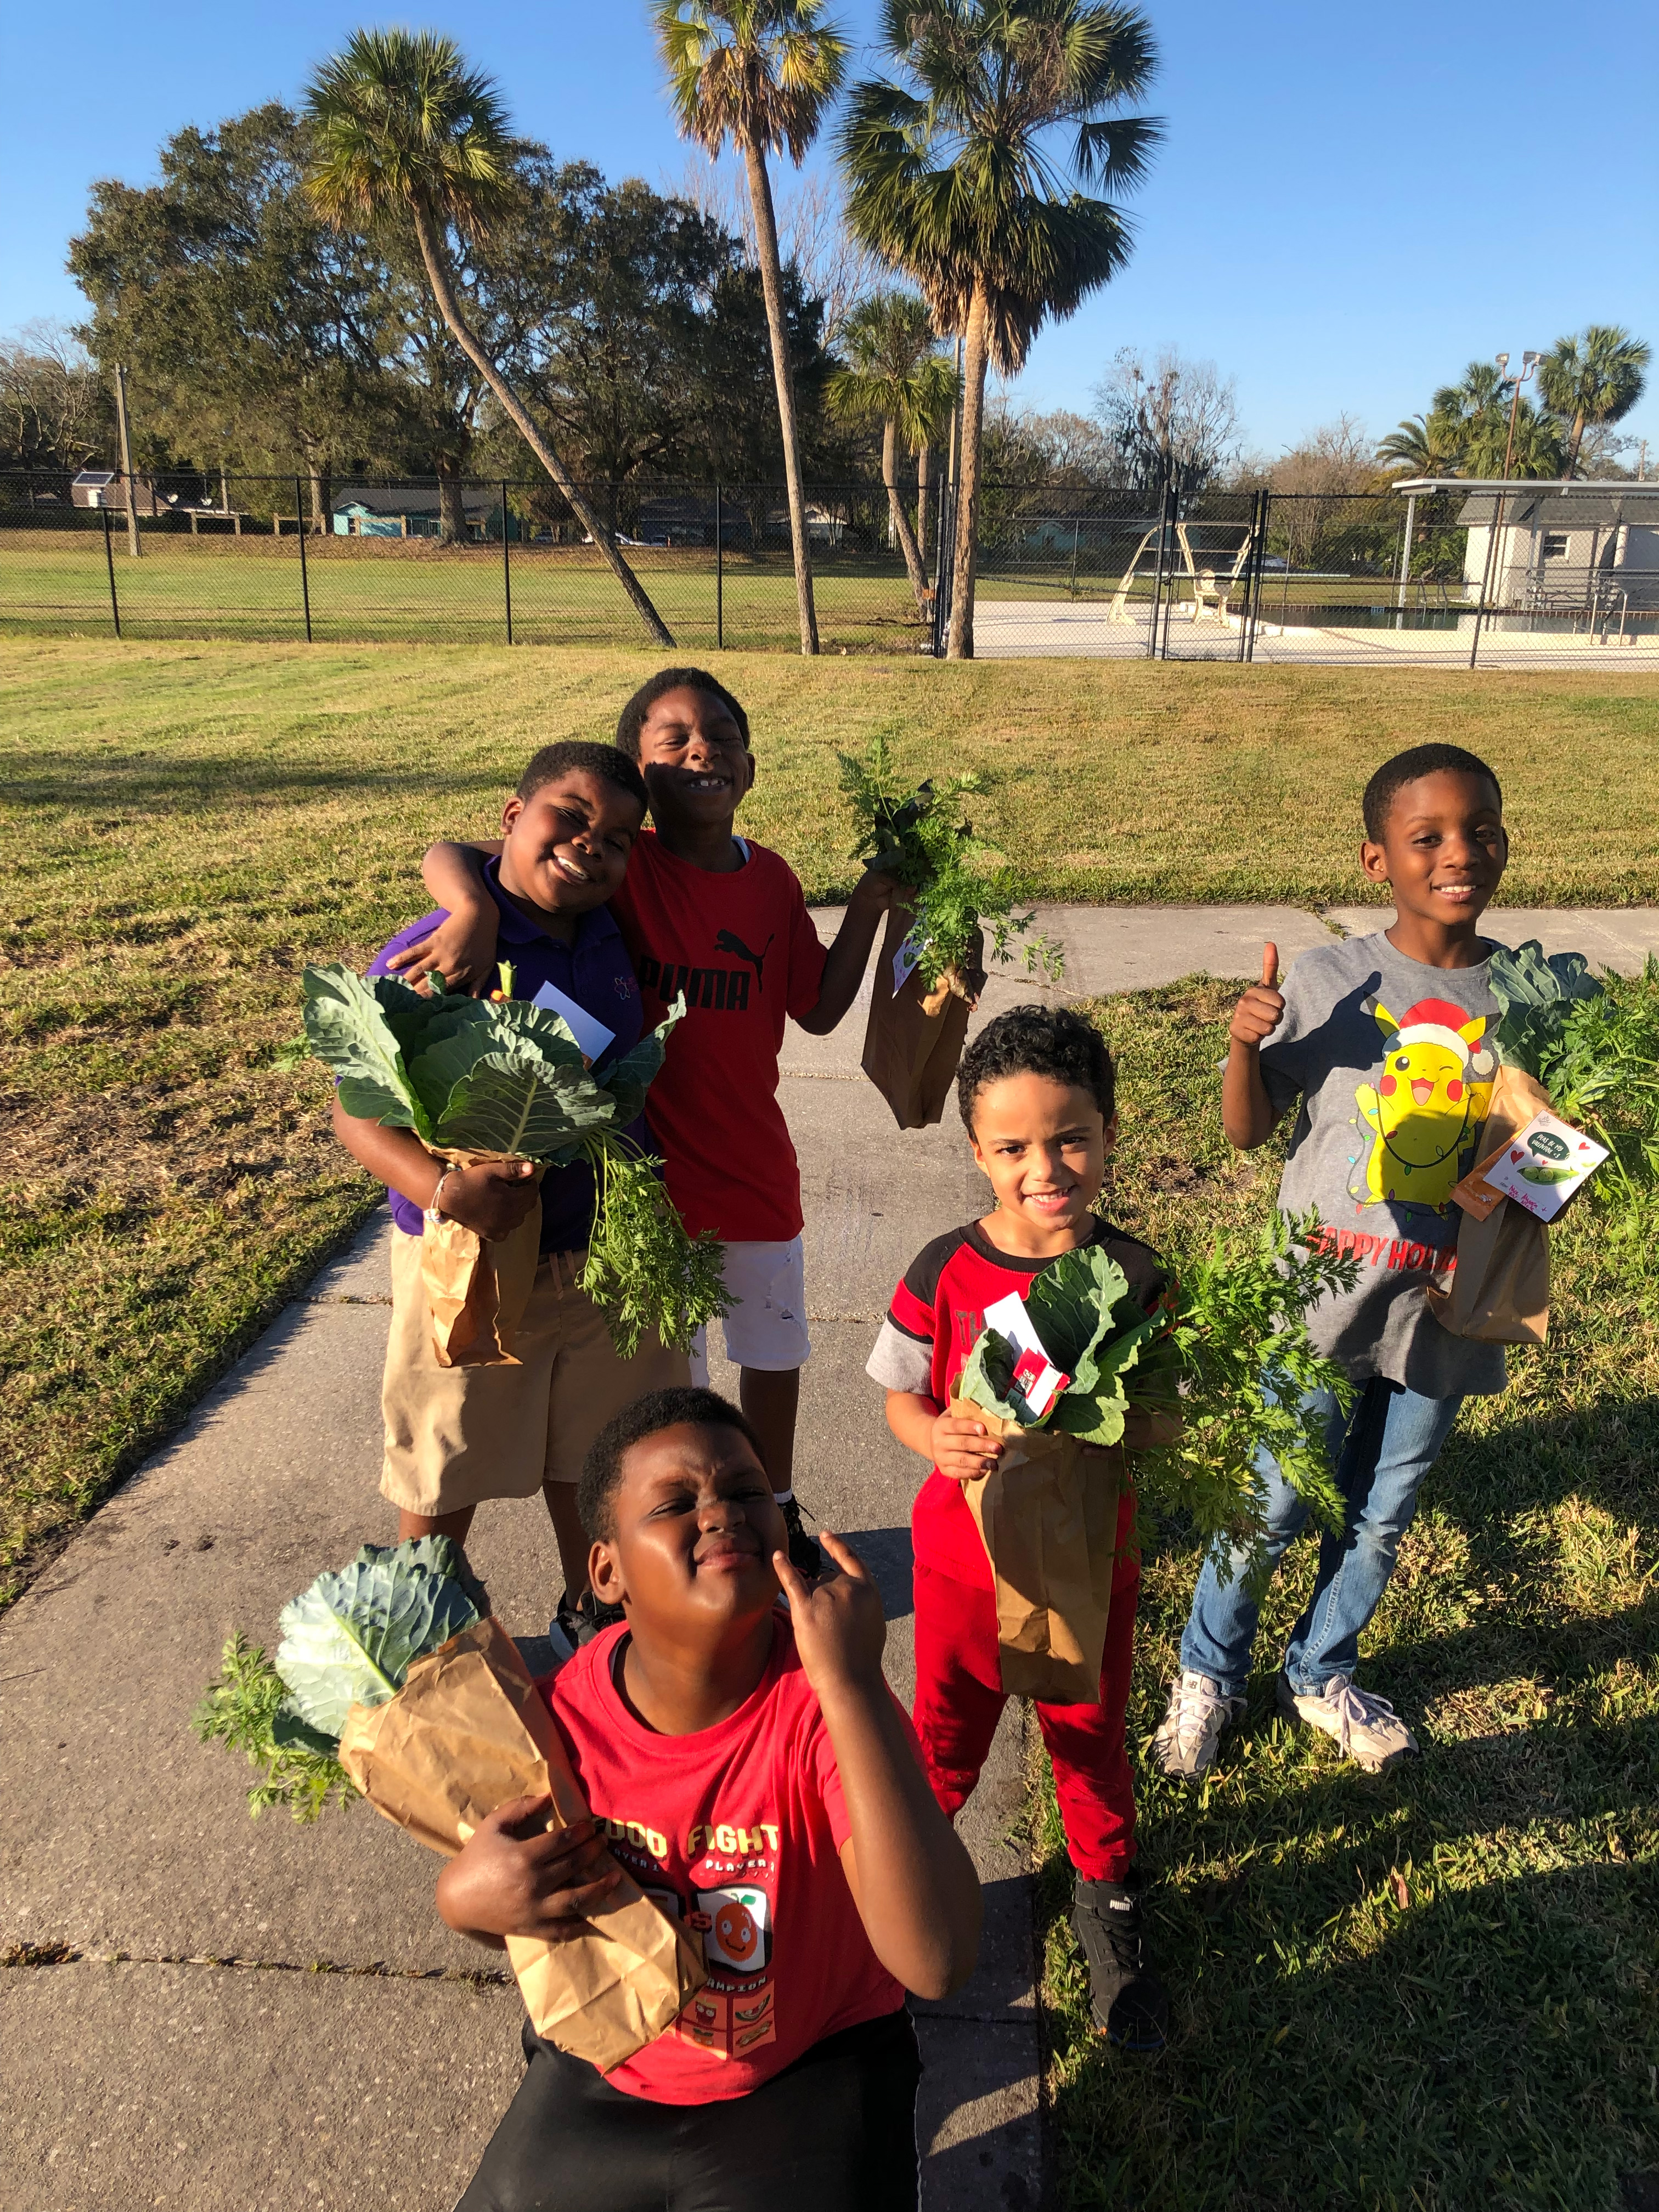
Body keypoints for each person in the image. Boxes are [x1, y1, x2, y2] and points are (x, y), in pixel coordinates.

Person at [400, 668, 899, 1576]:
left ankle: (775, 1512)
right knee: (664, 1387)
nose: (701, 746)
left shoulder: (772, 879)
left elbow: (819, 1011)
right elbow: (464, 852)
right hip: (646, 1184)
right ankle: (689, 1536)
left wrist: (867, 906)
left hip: (751, 1167)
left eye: (720, 734)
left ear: (749, 768)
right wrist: (470, 907)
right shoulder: (623, 865)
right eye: (672, 738)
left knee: (773, 1350)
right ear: (640, 768)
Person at [437, 1385, 982, 2212]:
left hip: (807, 2064)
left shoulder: (820, 1702)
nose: (721, 1512)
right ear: (607, 1571)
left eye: (745, 1491)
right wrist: (467, 1905)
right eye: (675, 1502)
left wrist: (854, 1684)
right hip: (613, 2066)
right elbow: (518, 1894)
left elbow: (936, 1960)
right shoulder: (553, 1724)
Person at [1153, 741, 1513, 1784]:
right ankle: (1207, 1673)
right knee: (1269, 1503)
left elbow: (1545, 1163)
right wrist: (1240, 1047)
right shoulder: (1330, 979)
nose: (1461, 853)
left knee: (1382, 1512)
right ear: (1376, 861)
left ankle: (1321, 1670)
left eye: (1481, 829)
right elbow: (1246, 1135)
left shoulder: (1525, 994)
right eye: (1429, 837)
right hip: (1320, 1303)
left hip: (1446, 1310)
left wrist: (1544, 1175)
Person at [866, 1004, 1171, 2053]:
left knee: (1088, 1733)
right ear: (977, 1153)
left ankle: (1105, 1897)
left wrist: (1149, 1416)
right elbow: (899, 1393)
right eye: (1014, 1148)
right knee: (943, 1736)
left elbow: (1171, 1408)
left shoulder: (1139, 1275)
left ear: (1110, 1131)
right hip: (959, 1563)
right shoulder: (945, 1268)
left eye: (1071, 1137)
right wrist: (935, 1436)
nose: (1046, 1168)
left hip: (1089, 1564)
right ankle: (902, 1887)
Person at [337, 740, 689, 1643]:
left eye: (615, 838)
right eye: (567, 817)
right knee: (444, 1459)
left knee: (604, 1455)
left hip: (604, 1253)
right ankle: (424, 1638)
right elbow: (357, 1118)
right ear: (511, 818)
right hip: (471, 1263)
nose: (589, 845)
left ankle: (600, 1619)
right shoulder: (445, 945)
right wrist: (444, 1188)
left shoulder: (611, 934)